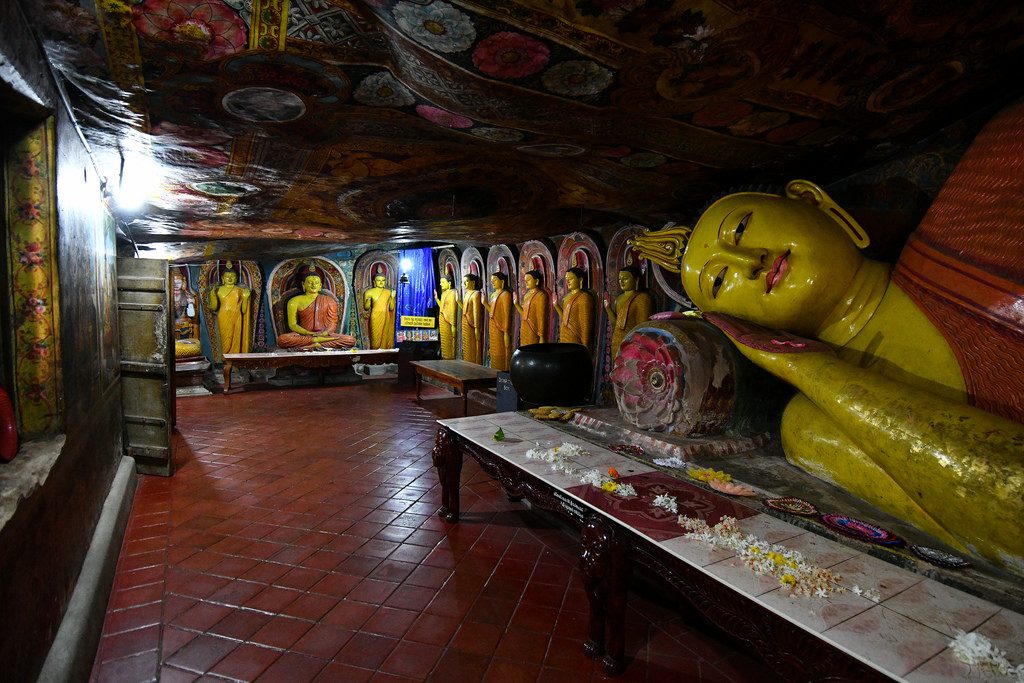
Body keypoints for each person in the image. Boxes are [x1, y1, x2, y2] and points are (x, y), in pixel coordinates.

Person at [630, 177, 1024, 572]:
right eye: (718, 280)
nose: (751, 262)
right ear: (735, 322)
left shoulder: (978, 202)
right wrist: (805, 367)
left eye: (741, 228)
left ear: (813, 200)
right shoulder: (809, 423)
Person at [278, 269, 356, 349]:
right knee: (282, 339)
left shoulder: (330, 301)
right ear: (303, 284)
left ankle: (316, 343)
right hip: (304, 334)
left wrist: (324, 334)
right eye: (310, 282)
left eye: (316, 283)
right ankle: (317, 341)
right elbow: (292, 324)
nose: (313, 285)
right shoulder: (294, 301)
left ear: (320, 285)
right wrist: (307, 333)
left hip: (325, 335)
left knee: (350, 340)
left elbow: (332, 324)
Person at [603, 267, 654, 357]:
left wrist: (637, 344)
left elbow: (642, 327)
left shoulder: (642, 298)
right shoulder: (618, 299)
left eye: (625, 278)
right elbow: (616, 324)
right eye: (620, 279)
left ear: (636, 280)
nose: (621, 281)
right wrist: (608, 309)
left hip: (633, 342)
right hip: (617, 341)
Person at [207, 263, 252, 359]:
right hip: (223, 316)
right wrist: (212, 295)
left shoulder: (240, 290)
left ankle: (235, 361)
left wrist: (245, 298)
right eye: (227, 277)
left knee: (236, 340)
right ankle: (225, 360)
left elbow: (244, 310)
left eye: (233, 276)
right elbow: (214, 308)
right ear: (222, 278)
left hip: (237, 316)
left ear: (236, 278)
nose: (230, 279)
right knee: (225, 341)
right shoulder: (218, 290)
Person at [554, 267, 594, 355]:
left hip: (575, 336)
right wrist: (556, 305)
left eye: (571, 279)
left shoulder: (584, 297)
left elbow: (585, 324)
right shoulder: (566, 297)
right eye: (566, 279)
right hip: (564, 334)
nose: (567, 282)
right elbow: (564, 319)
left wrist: (585, 345)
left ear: (580, 280)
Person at [482, 272, 514, 371]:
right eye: (492, 281)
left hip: (501, 328)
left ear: (502, 281)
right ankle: (494, 373)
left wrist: (506, 332)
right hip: (493, 327)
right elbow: (492, 312)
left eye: (495, 280)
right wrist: (484, 303)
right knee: (494, 351)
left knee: (501, 351)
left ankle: (503, 373)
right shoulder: (493, 295)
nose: (493, 282)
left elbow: (506, 315)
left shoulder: (506, 294)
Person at [514, 270, 549, 346]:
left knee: (532, 349)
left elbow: (541, 317)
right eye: (525, 280)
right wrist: (516, 304)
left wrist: (541, 336)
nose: (526, 282)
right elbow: (524, 315)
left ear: (536, 281)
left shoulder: (541, 295)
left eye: (528, 280)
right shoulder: (527, 295)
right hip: (525, 327)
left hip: (534, 328)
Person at [362, 273, 396, 350]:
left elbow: (391, 308)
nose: (381, 282)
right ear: (374, 282)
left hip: (386, 317)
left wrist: (392, 297)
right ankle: (375, 353)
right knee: (375, 339)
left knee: (385, 336)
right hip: (375, 316)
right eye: (378, 280)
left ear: (385, 281)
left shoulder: (388, 292)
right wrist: (368, 301)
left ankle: (384, 354)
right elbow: (366, 308)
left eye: (383, 280)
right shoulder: (369, 292)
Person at [434, 276, 459, 360]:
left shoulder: (453, 293)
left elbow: (452, 310)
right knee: (444, 342)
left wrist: (453, 325)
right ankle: (445, 357)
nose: (441, 284)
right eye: (440, 282)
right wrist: (437, 299)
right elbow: (442, 307)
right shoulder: (444, 293)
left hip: (449, 321)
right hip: (442, 319)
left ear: (449, 283)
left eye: (443, 282)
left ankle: (450, 358)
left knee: (449, 343)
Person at [461, 273, 484, 364]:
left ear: (473, 282)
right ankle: (467, 363)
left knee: (472, 347)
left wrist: (477, 328)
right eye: (464, 282)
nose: (465, 284)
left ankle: (474, 364)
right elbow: (465, 309)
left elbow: (476, 312)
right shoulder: (467, 294)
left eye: (467, 281)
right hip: (465, 322)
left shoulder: (476, 294)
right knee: (466, 347)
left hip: (472, 324)